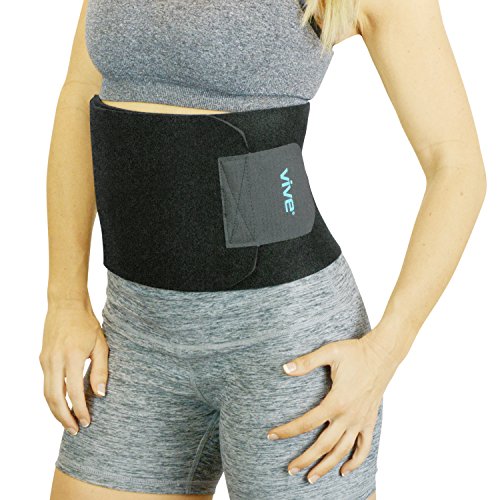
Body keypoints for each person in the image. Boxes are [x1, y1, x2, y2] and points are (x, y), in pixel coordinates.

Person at [40, 0, 486, 499]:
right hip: (134, 339)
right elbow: (80, 93)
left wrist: (384, 354)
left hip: (288, 349)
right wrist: (65, 299)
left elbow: (456, 164)